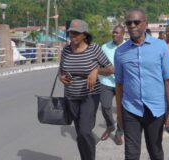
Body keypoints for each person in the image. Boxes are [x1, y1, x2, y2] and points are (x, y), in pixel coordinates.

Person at [114, 9, 169, 160]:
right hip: (130, 109)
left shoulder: (160, 47)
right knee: (131, 155)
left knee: (155, 152)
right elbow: (119, 85)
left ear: (145, 24)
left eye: (136, 22)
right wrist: (119, 114)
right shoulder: (120, 52)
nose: (132, 25)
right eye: (129, 23)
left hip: (155, 110)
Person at [59, 19, 113, 160]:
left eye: (76, 33)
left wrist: (96, 71)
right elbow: (61, 70)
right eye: (71, 33)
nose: (73, 36)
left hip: (90, 94)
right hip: (71, 96)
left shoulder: (94, 49)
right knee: (80, 133)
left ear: (84, 35)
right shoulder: (66, 50)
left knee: (84, 131)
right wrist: (61, 77)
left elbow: (110, 69)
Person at [99, 25, 125, 145]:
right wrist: (104, 70)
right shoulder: (104, 47)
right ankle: (110, 125)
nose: (114, 35)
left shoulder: (128, 46)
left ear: (123, 34)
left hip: (123, 84)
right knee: (105, 106)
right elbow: (97, 63)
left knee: (122, 109)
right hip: (106, 82)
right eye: (113, 33)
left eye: (117, 33)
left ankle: (119, 133)